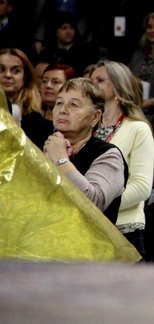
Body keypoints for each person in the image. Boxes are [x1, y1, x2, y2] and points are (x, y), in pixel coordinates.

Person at [91, 61, 154, 254]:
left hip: (124, 230)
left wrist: (96, 204)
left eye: (100, 80)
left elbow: (142, 187)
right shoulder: (86, 129)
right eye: (90, 80)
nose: (92, 84)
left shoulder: (138, 128)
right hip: (89, 228)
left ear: (119, 87)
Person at [43, 78, 127, 224]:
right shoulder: (40, 149)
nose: (63, 110)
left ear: (95, 117)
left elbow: (92, 203)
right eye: (59, 103)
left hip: (88, 244)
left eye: (74, 105)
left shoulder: (108, 155)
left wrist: (61, 160)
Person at [0, 47, 40, 126]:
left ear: (25, 77)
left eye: (15, 71)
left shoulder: (36, 122)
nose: (8, 75)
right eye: (1, 70)